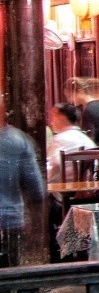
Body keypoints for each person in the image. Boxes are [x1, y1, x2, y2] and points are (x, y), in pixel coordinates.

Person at [0, 104, 44, 267]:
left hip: (9, 220)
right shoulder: (18, 140)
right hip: (10, 221)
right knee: (11, 278)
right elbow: (35, 188)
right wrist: (37, 224)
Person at [45, 102, 96, 178]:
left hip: (65, 187)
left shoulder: (59, 139)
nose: (51, 121)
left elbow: (52, 167)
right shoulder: (86, 139)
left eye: (53, 116)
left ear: (62, 118)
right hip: (90, 186)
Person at [65, 78, 99, 148]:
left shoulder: (91, 109)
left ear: (81, 92)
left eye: (70, 96)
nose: (69, 100)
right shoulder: (92, 106)